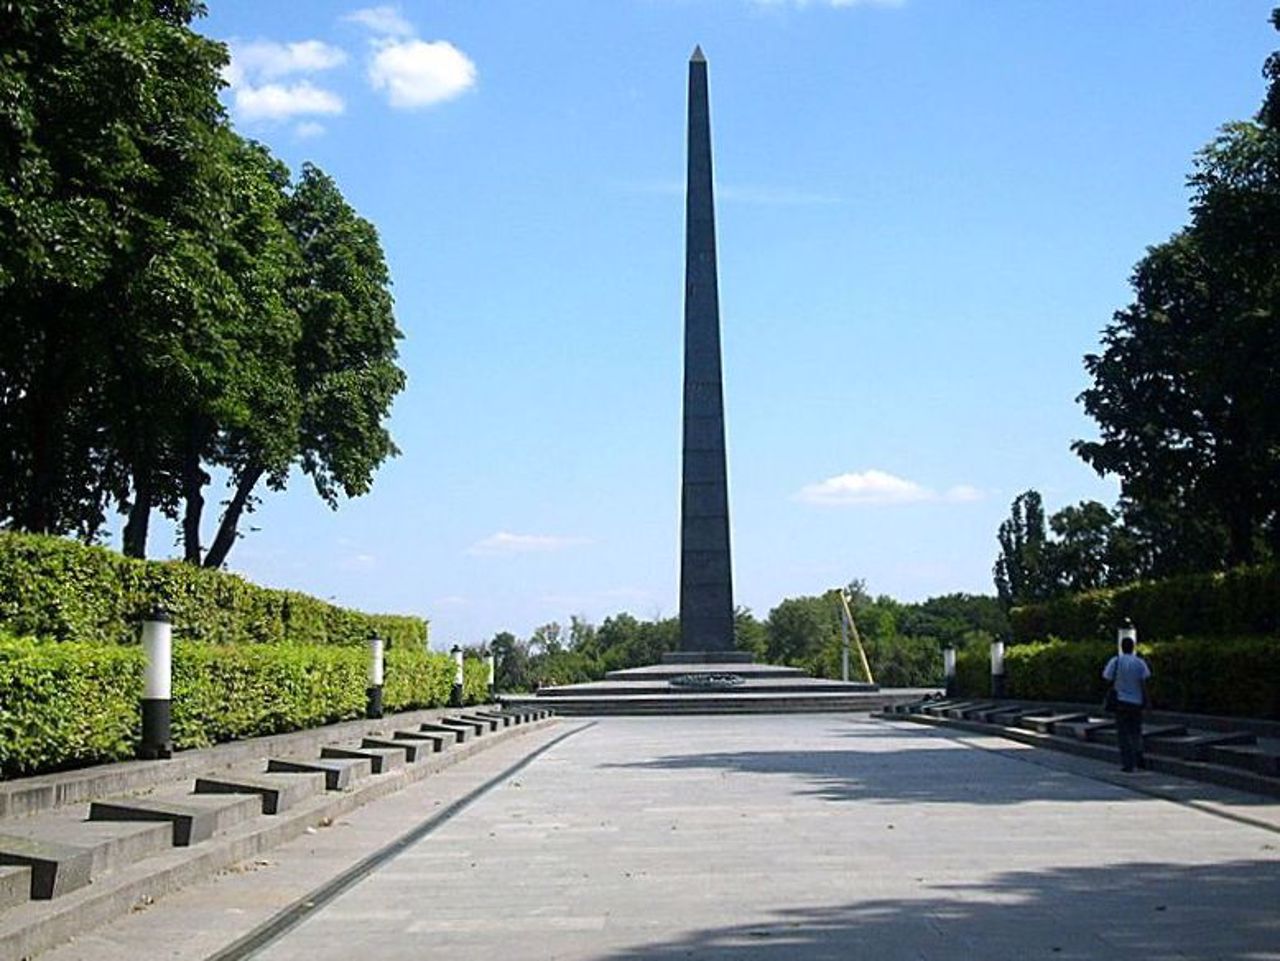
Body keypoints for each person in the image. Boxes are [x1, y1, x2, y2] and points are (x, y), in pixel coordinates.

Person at [1103, 636, 1152, 772]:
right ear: (1133, 647)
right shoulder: (1139, 662)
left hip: (1121, 702)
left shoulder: (1116, 661)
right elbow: (1144, 683)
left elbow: (1107, 678)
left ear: (1121, 647)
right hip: (1136, 702)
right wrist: (1147, 701)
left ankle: (1128, 763)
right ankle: (1139, 755)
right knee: (1136, 731)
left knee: (1123, 734)